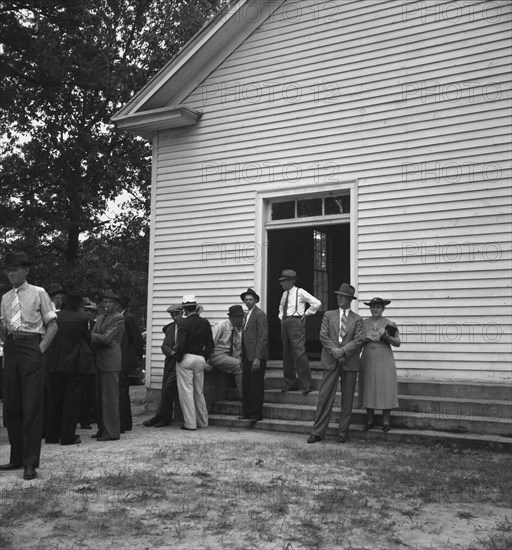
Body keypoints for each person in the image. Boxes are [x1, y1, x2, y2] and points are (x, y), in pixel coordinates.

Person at [0, 251, 58, 480]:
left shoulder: (39, 293)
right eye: (7, 270)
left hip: (32, 346)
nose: (10, 273)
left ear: (26, 270)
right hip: (12, 349)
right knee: (12, 406)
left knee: (31, 405)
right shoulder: (5, 298)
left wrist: (39, 350)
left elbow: (53, 325)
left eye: (14, 269)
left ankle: (30, 461)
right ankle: (16, 457)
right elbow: (4, 328)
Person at [307, 283, 364, 444]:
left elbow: (359, 339)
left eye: (343, 296)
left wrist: (343, 351)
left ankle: (343, 432)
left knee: (347, 398)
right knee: (324, 396)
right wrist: (336, 352)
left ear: (350, 299)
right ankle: (317, 432)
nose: (339, 298)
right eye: (338, 295)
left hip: (350, 361)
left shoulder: (358, 319)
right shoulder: (328, 315)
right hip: (331, 359)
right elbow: (323, 336)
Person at [45, 291, 93, 445]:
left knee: (55, 401)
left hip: (54, 364)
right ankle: (67, 436)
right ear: (77, 305)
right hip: (74, 365)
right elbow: (88, 339)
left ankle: (52, 435)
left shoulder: (53, 317)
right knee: (71, 402)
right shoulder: (82, 319)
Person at [358, 297, 401, 433]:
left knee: (385, 386)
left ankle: (386, 422)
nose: (375, 309)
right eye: (373, 307)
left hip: (384, 357)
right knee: (369, 385)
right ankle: (369, 421)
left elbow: (398, 343)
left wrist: (387, 336)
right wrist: (363, 341)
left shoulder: (390, 323)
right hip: (368, 356)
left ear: (383, 309)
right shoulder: (363, 323)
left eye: (378, 307)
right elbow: (357, 341)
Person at [278, 269, 321, 395]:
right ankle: (290, 383)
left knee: (299, 353)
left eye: (284, 281)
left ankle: (307, 384)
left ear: (291, 281)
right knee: (286, 354)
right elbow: (281, 307)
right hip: (285, 322)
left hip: (296, 322)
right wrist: (281, 317)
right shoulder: (284, 294)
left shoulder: (299, 292)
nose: (281, 284)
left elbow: (316, 303)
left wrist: (306, 314)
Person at [174, 295, 214, 431]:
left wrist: (178, 358)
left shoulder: (183, 323)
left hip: (186, 358)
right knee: (199, 391)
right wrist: (205, 357)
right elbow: (210, 344)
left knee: (186, 392)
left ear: (184, 309)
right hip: (200, 359)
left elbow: (181, 345)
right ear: (196, 307)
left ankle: (190, 424)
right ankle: (203, 421)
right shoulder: (205, 322)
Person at [91, 290, 124, 441]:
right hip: (99, 360)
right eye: (105, 302)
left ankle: (111, 432)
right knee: (99, 398)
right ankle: (102, 428)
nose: (107, 304)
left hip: (111, 362)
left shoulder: (118, 317)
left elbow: (106, 338)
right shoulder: (100, 318)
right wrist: (99, 337)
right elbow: (97, 336)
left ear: (116, 304)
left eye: (110, 302)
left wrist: (97, 336)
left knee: (110, 399)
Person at [143, 304, 183, 428]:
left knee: (168, 388)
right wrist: (171, 352)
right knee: (165, 387)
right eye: (172, 315)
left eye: (177, 314)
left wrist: (178, 352)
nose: (175, 317)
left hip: (181, 362)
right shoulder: (170, 329)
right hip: (170, 362)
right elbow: (164, 345)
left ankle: (161, 416)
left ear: (182, 313)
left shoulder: (186, 327)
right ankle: (164, 416)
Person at [239, 288, 268, 424]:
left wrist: (258, 357)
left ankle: (256, 414)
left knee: (256, 385)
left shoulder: (260, 314)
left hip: (256, 355)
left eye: (250, 299)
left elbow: (263, 337)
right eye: (246, 299)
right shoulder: (246, 315)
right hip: (246, 354)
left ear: (256, 300)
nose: (248, 301)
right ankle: (246, 411)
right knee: (246, 384)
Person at [118, 293, 144, 433]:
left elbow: (137, 340)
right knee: (122, 392)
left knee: (122, 391)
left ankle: (124, 422)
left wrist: (136, 358)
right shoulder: (123, 317)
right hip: (123, 358)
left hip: (125, 359)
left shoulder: (129, 318)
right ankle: (125, 422)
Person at [209, 305, 244, 398]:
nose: (241, 320)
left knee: (245, 363)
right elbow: (211, 342)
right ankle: (244, 396)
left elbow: (238, 347)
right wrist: (206, 360)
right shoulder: (221, 325)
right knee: (239, 366)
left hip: (228, 354)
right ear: (233, 317)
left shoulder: (234, 329)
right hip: (216, 355)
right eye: (240, 318)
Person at [78, 300, 97, 429]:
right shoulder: (78, 324)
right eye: (86, 310)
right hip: (79, 361)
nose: (89, 313)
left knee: (89, 393)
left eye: (91, 310)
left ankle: (88, 418)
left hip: (92, 362)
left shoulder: (96, 324)